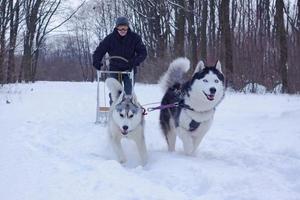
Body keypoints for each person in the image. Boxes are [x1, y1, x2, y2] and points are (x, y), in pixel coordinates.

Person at [92, 16, 147, 96]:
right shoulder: (110, 39)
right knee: (115, 93)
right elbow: (99, 51)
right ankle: (114, 107)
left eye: (124, 29)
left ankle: (127, 107)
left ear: (128, 27)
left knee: (128, 93)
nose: (122, 31)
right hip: (115, 68)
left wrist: (134, 61)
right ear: (116, 28)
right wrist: (96, 61)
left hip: (129, 68)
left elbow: (143, 53)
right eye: (120, 29)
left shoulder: (135, 38)